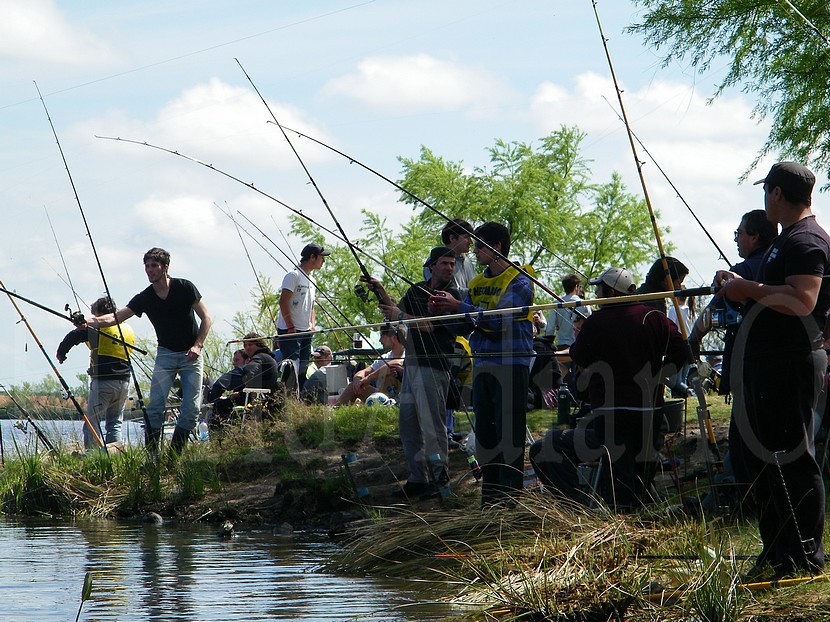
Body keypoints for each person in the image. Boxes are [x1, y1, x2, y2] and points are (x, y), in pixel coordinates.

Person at [716, 162, 829, 580]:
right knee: (762, 460)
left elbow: (803, 299)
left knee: (792, 458)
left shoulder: (805, 239)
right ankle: (779, 552)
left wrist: (747, 289)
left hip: (789, 362)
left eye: (767, 191)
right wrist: (740, 283)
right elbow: (777, 292)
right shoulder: (787, 240)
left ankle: (804, 557)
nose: (765, 199)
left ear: (777, 193)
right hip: (768, 362)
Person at [529, 267, 686, 509]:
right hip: (651, 416)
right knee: (633, 476)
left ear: (611, 291)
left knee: (545, 447)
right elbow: (681, 351)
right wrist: (659, 376)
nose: (596, 294)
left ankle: (579, 506)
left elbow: (579, 356)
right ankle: (631, 509)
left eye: (599, 289)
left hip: (611, 417)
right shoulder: (654, 317)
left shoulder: (597, 322)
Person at [431, 222, 535, 506]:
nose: (474, 251)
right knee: (487, 437)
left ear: (496, 246)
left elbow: (499, 320)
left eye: (479, 245)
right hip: (483, 365)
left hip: (511, 365)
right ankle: (490, 501)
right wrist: (443, 312)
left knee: (509, 434)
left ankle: (511, 501)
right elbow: (466, 325)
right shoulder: (477, 283)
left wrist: (459, 307)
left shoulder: (520, 281)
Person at [86, 247, 212, 454]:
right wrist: (88, 322)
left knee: (191, 410)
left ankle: (174, 456)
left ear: (165, 267)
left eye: (154, 266)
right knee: (154, 408)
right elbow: (115, 317)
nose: (150, 270)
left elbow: (206, 318)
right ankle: (152, 457)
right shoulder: (145, 297)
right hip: (165, 355)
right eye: (147, 266)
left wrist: (197, 345)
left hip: (191, 355)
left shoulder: (185, 287)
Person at [365, 246, 461, 498]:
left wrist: (400, 315)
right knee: (408, 425)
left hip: (434, 367)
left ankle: (441, 480)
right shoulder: (417, 290)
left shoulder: (451, 294)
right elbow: (396, 313)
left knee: (432, 427)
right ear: (432, 265)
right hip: (412, 365)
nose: (449, 268)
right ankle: (418, 478)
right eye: (444, 263)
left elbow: (428, 326)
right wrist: (380, 290)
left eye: (452, 264)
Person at [57, 296, 136, 450]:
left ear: (100, 314)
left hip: (103, 383)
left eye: (94, 315)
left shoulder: (98, 328)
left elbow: (73, 336)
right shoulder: (127, 329)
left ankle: (92, 455)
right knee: (114, 423)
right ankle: (115, 453)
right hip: (124, 382)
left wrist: (61, 353)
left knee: (92, 423)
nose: (93, 319)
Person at [277, 243, 330, 388]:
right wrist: (290, 327)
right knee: (291, 366)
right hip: (290, 330)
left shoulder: (312, 280)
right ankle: (287, 395)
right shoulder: (293, 275)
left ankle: (299, 396)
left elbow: (311, 306)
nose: (323, 261)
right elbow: (283, 301)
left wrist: (312, 325)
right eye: (321, 257)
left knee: (303, 367)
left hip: (306, 331)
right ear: (312, 257)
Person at [336, 326, 406, 406]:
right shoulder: (385, 357)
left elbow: (395, 364)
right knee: (353, 387)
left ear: (393, 338)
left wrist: (369, 378)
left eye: (382, 336)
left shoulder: (408, 354)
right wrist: (358, 379)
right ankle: (335, 411)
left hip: (403, 399)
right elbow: (365, 371)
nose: (380, 340)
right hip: (382, 397)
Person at [423, 218, 476, 298]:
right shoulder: (435, 261)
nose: (471, 242)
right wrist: (478, 293)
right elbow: (439, 291)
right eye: (466, 237)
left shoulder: (468, 262)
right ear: (452, 238)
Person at [545, 274, 590, 351]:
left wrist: (548, 345)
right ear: (576, 287)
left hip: (562, 346)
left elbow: (550, 328)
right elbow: (590, 326)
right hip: (580, 346)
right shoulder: (585, 304)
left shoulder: (556, 304)